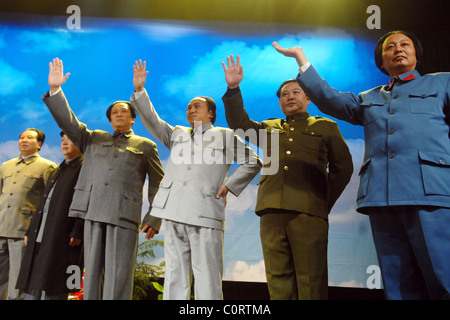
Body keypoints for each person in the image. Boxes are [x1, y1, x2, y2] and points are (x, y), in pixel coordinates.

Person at [273, 30, 450, 300]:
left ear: (417, 54)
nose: (398, 49)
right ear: (381, 60)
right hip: (382, 199)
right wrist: (302, 60)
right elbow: (329, 98)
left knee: (443, 277)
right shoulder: (369, 97)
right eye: (390, 47)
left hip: (430, 195)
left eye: (405, 45)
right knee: (398, 285)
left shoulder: (442, 84)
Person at [221, 55, 353, 300]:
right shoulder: (270, 128)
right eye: (284, 94)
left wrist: (321, 202)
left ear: (308, 98)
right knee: (278, 280)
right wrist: (233, 88)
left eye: (296, 92)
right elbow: (239, 124)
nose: (290, 96)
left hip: (309, 212)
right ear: (280, 103)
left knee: (311, 281)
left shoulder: (326, 127)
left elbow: (343, 168)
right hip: (271, 210)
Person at [131, 59, 261, 300]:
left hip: (205, 213)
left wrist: (229, 185)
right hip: (174, 211)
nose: (191, 109)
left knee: (207, 277)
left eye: (197, 106)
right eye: (189, 106)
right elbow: (153, 121)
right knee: (174, 275)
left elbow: (254, 161)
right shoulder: (177, 134)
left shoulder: (225, 135)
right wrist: (140, 92)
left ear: (211, 113)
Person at [42, 58, 165, 300]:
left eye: (125, 112)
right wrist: (56, 91)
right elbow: (68, 122)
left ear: (133, 119)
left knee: (119, 272)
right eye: (114, 113)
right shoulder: (93, 138)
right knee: (92, 271)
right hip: (92, 210)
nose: (119, 115)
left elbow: (159, 182)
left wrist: (154, 216)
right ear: (110, 120)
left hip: (124, 215)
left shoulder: (146, 145)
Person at [16, 132, 84, 300]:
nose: (65, 143)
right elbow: (42, 203)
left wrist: (78, 231)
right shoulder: (59, 168)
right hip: (41, 236)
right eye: (62, 139)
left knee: (60, 282)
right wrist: (30, 230)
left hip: (65, 238)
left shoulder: (85, 168)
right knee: (33, 283)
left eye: (70, 139)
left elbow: (86, 202)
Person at [0, 129, 57, 300]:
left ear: (39, 144)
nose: (24, 140)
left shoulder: (47, 167)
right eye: (21, 137)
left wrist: (36, 230)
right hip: (1, 227)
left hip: (23, 229)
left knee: (18, 281)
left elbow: (49, 202)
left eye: (30, 138)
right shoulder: (6, 165)